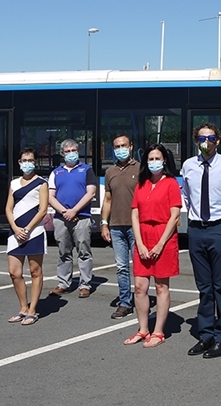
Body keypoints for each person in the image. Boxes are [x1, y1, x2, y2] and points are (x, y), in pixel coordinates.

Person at [180, 122, 221, 359]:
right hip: (196, 229)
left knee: (220, 285)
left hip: (219, 228)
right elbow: (186, 195)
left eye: (211, 138)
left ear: (218, 140)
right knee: (204, 287)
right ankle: (205, 334)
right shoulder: (188, 166)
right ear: (196, 141)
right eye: (201, 138)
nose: (206, 142)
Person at [123, 144, 182, 348]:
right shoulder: (142, 184)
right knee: (140, 287)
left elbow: (174, 216)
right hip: (143, 236)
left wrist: (160, 244)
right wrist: (139, 243)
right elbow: (135, 214)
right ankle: (143, 329)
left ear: (164, 160)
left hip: (163, 237)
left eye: (157, 158)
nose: (154, 162)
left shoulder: (171, 183)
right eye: (150, 159)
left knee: (160, 286)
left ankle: (158, 332)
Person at [4, 148, 49, 326]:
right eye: (24, 160)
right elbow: (8, 208)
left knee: (35, 271)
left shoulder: (42, 183)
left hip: (34, 232)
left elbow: (43, 210)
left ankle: (32, 310)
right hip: (15, 233)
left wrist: (28, 229)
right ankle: (23, 308)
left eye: (30, 160)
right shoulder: (14, 183)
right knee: (14, 272)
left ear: (35, 162)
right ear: (19, 162)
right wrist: (15, 228)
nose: (27, 163)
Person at [48, 138, 97, 298]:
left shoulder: (87, 170)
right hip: (61, 218)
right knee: (63, 252)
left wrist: (74, 211)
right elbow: (50, 196)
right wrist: (65, 212)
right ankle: (64, 283)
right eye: (67, 151)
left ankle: (85, 285)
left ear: (78, 151)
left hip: (82, 217)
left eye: (73, 150)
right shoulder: (56, 172)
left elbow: (91, 193)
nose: (71, 154)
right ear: (62, 154)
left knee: (84, 252)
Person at [100, 134, 140, 319]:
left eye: (124, 145)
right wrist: (104, 223)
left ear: (131, 147)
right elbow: (107, 200)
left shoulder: (140, 169)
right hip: (116, 227)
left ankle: (141, 299)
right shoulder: (110, 172)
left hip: (136, 226)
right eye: (117, 146)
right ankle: (125, 303)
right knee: (122, 267)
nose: (121, 149)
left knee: (139, 267)